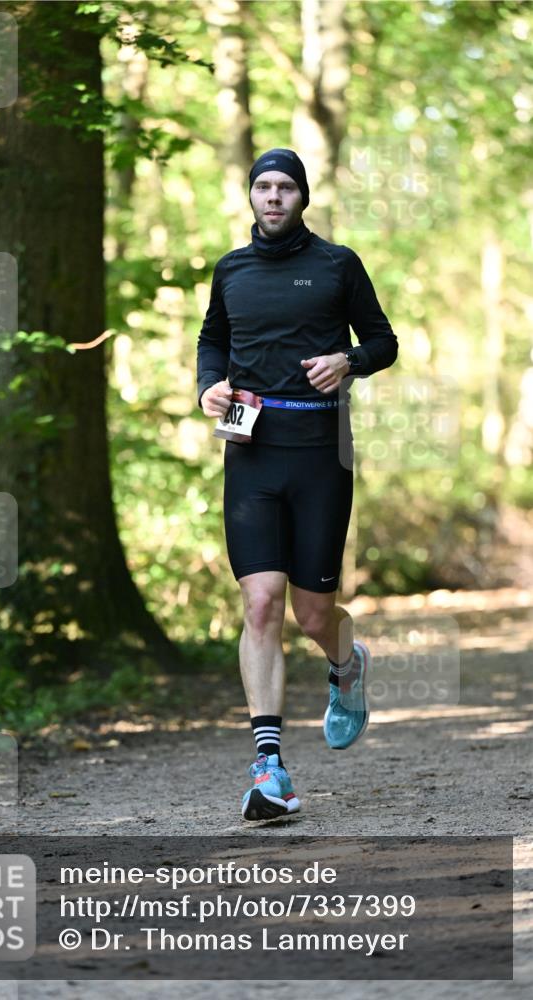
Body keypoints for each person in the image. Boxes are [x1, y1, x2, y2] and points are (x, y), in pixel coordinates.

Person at [196, 148, 398, 821]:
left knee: (312, 614)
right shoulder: (231, 270)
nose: (273, 197)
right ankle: (268, 769)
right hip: (248, 448)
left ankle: (345, 665)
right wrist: (208, 387)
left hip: (319, 455)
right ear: (250, 196)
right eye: (262, 186)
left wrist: (349, 359)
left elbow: (383, 341)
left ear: (302, 197)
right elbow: (209, 343)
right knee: (260, 602)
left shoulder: (336, 265)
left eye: (285, 187)